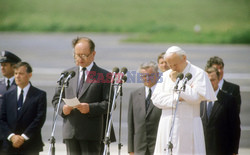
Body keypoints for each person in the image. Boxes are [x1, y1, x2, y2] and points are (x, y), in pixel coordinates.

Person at [52, 37, 113, 155]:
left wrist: (90, 108)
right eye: (76, 55)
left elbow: (110, 103)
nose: (80, 59)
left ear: (93, 54)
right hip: (70, 131)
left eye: (84, 55)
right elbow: (56, 99)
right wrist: (63, 108)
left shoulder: (104, 75)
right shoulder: (67, 74)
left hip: (91, 133)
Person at [151, 46, 216, 155]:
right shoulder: (166, 74)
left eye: (175, 64)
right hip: (166, 124)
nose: (172, 68)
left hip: (189, 124)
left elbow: (195, 98)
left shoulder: (198, 73)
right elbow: (156, 99)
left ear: (184, 58)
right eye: (170, 65)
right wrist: (178, 98)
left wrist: (178, 81)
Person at [0, 62, 47, 155]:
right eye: (15, 73)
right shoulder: (7, 95)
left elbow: (39, 119)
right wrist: (12, 137)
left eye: (21, 73)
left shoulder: (39, 95)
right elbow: (1, 119)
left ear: (30, 75)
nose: (17, 76)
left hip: (30, 145)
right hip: (9, 146)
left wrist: (23, 137)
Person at [200, 67, 241, 155]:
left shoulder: (229, 100)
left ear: (219, 79)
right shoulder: (199, 99)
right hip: (202, 149)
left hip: (222, 149)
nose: (210, 83)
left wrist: (234, 150)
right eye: (207, 80)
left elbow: (235, 127)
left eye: (213, 80)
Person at [128, 61, 162, 155]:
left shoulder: (164, 93)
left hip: (158, 146)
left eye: (150, 75)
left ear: (158, 74)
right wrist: (131, 149)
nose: (147, 78)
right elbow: (131, 124)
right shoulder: (134, 95)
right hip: (139, 148)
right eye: (143, 76)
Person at [0, 50, 21, 153]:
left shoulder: (21, 85)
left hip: (16, 136)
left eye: (5, 65)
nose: (2, 68)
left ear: (13, 67)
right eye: (1, 65)